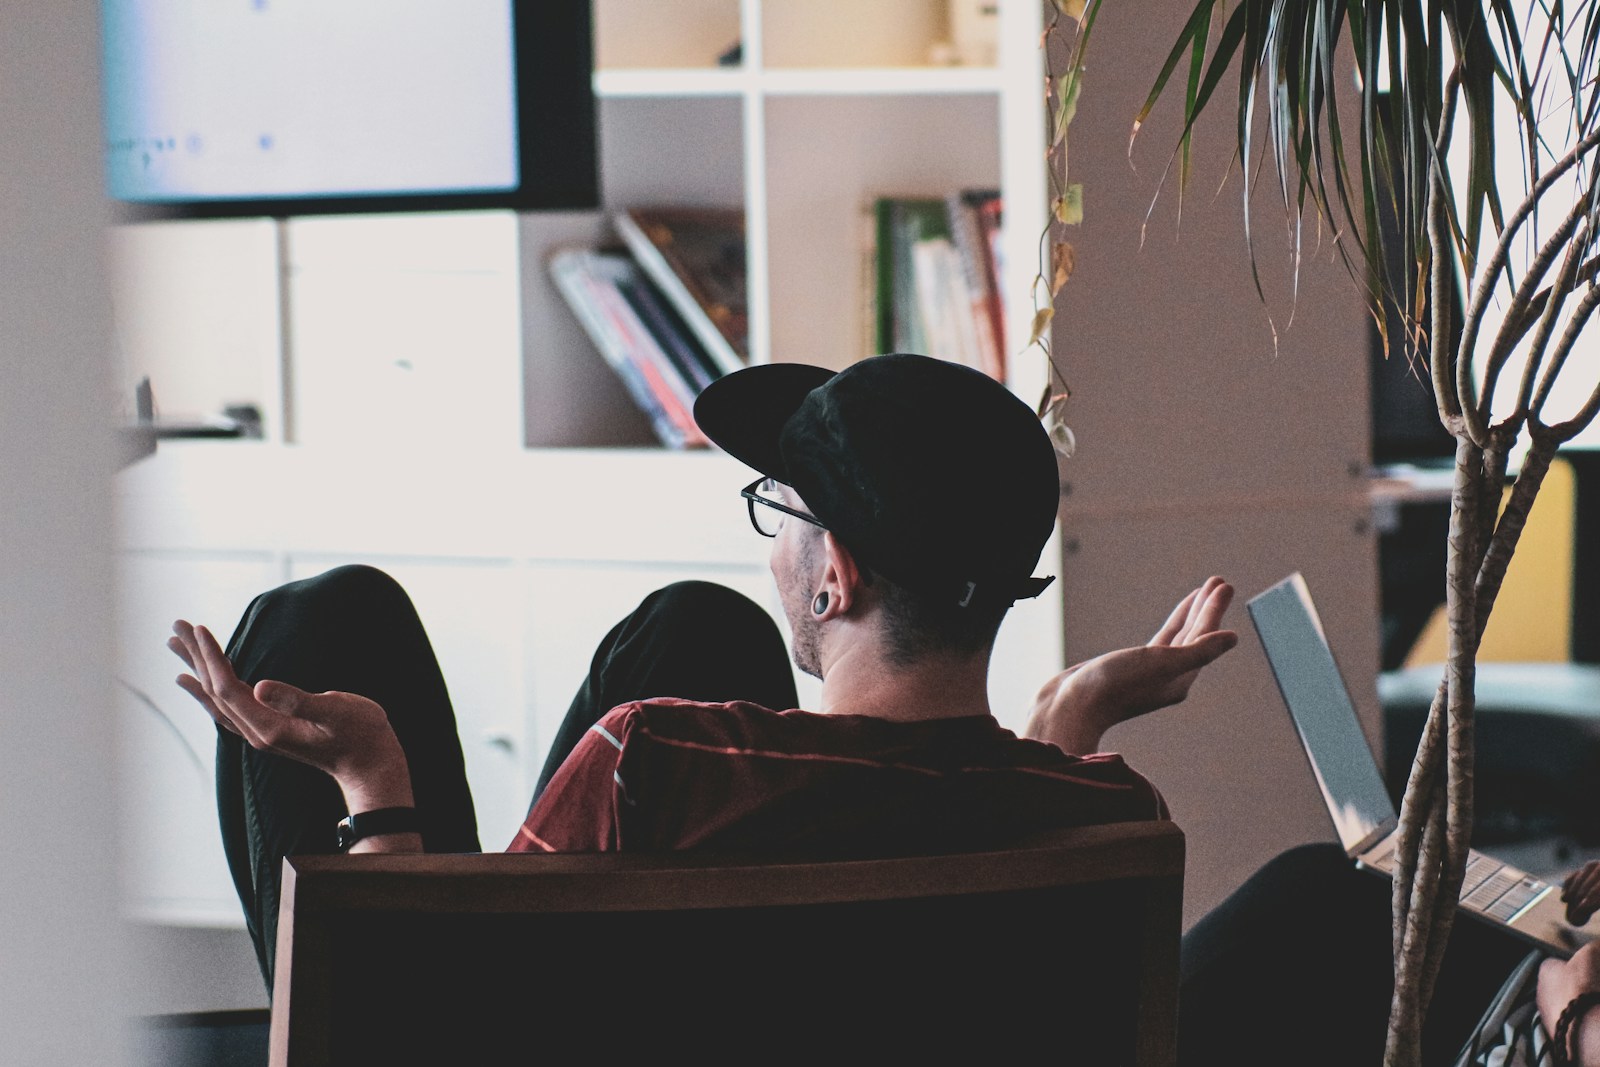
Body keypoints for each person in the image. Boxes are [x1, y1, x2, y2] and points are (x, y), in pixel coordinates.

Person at [169, 352, 1238, 990]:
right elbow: (968, 806)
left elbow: (419, 1035)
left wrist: (372, 782)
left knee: (319, 624)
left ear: (835, 577)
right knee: (700, 623)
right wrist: (1070, 708)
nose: (771, 546)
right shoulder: (1113, 811)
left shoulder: (658, 760)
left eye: (779, 514)